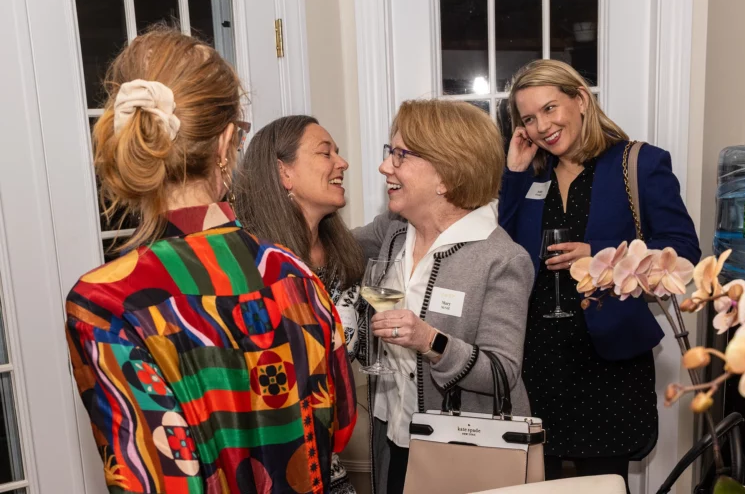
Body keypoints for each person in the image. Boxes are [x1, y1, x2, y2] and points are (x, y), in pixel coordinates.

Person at [65, 28, 356, 494]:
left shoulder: (105, 301)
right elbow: (338, 425)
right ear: (225, 144)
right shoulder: (292, 271)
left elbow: (146, 476)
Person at [499, 59, 700, 490]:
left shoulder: (638, 163)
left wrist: (602, 255)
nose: (542, 127)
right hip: (537, 362)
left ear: (581, 100)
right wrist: (513, 174)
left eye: (551, 109)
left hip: (607, 364)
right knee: (536, 484)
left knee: (603, 484)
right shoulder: (534, 175)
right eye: (529, 118)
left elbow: (684, 253)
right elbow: (500, 245)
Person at [355, 99, 534, 493]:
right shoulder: (395, 232)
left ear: (447, 176)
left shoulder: (501, 258)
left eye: (400, 155)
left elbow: (503, 372)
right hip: (394, 437)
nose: (386, 167)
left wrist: (429, 341)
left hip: (462, 454)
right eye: (390, 154)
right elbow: (333, 248)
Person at [234, 115, 366, 494]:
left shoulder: (345, 255)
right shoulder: (249, 263)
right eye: (325, 153)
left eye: (338, 153)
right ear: (283, 172)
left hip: (332, 468)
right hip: (271, 469)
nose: (341, 163)